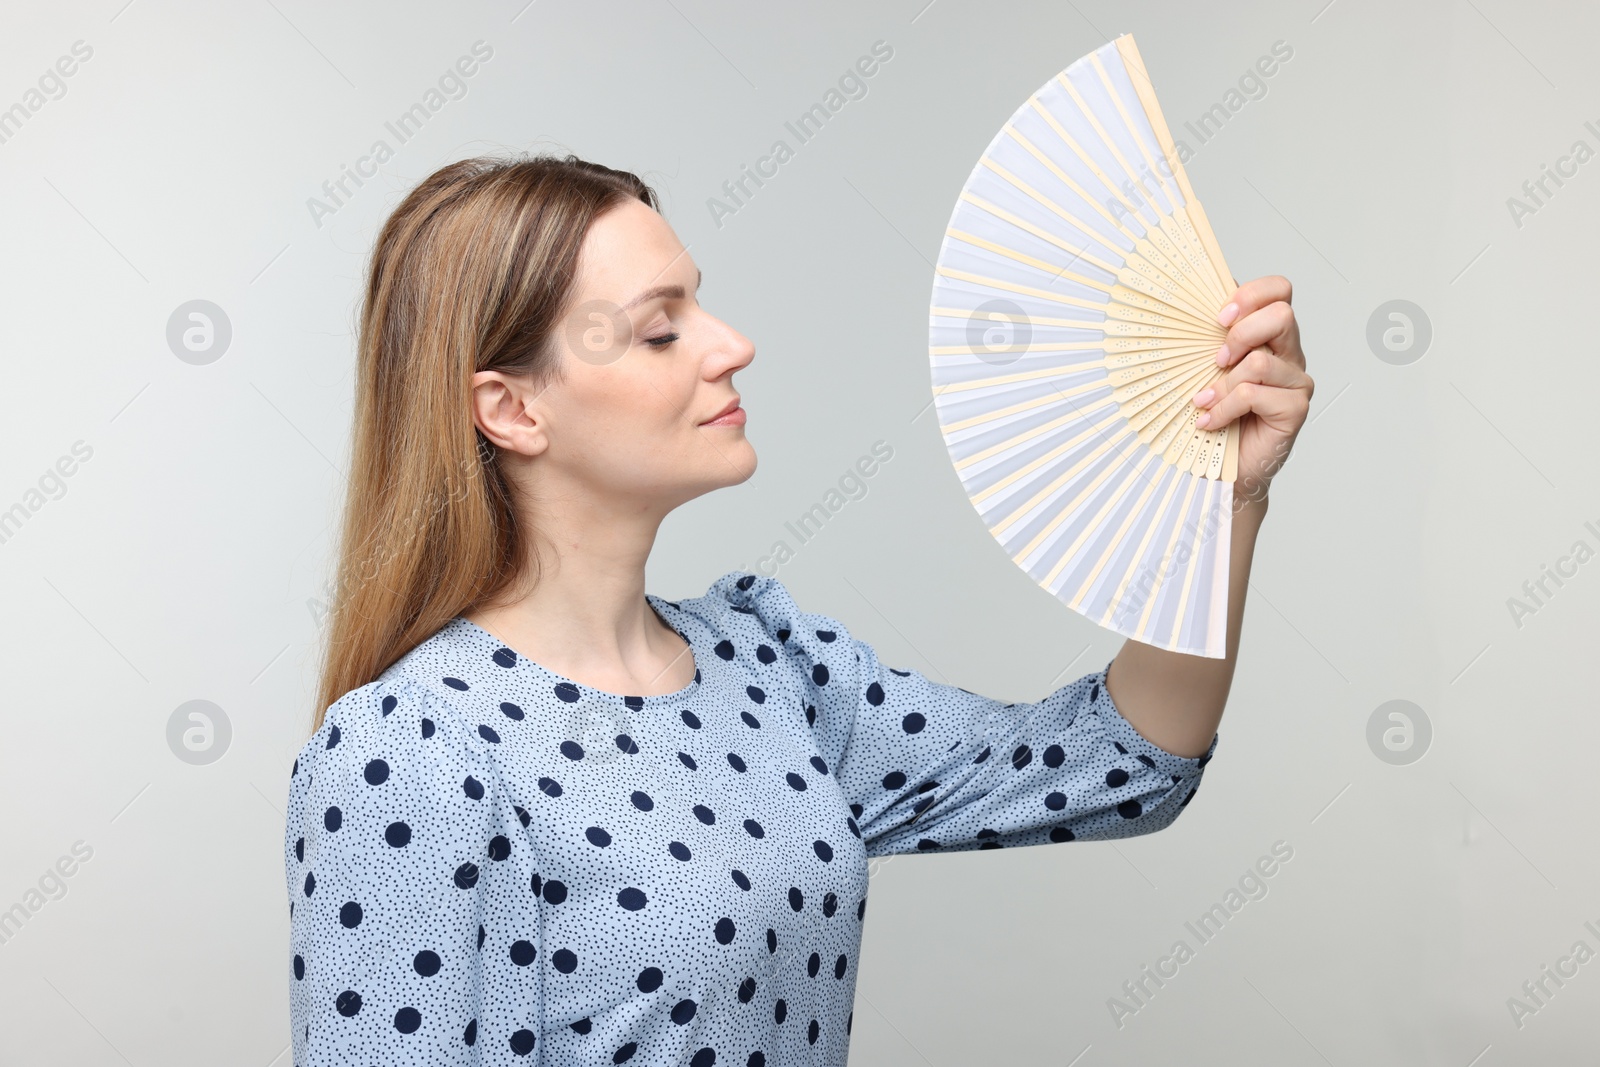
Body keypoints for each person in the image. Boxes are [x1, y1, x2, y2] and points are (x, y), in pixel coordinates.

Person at [282, 153, 1312, 1065]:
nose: (730, 344)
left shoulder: (765, 664)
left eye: (700, 304)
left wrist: (1226, 498)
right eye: (658, 329)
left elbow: (1117, 764)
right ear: (511, 407)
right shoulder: (413, 750)